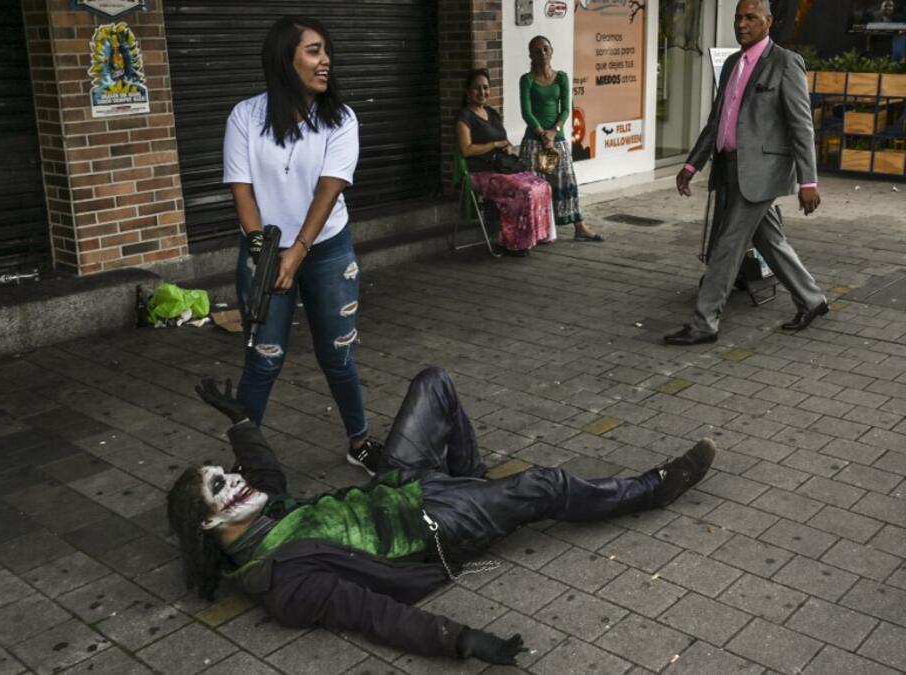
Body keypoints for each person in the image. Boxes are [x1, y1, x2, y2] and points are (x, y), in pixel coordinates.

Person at [167, 368, 717, 665]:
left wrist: (240, 423)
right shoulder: (285, 582)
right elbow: (373, 614)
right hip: (434, 525)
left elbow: (267, 473)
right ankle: (652, 490)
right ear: (211, 524)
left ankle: (476, 482)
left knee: (435, 384)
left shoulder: (264, 516)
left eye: (227, 471)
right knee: (542, 486)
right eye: (221, 484)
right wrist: (461, 640)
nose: (237, 479)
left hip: (402, 484)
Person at [222, 16, 384, 474]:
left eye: (326, 50)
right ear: (284, 59)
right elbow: (242, 192)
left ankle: (360, 441)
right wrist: (262, 253)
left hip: (327, 249)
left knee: (338, 354)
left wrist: (295, 254)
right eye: (313, 51)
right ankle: (245, 462)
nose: (325, 60)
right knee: (263, 359)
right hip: (264, 252)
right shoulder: (245, 117)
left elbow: (329, 190)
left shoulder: (341, 119)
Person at [666, 0, 827, 345]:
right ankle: (812, 299)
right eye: (738, 17)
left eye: (750, 18)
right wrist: (692, 164)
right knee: (769, 240)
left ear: (768, 22)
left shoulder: (785, 63)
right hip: (730, 167)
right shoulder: (732, 65)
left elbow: (802, 126)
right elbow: (717, 121)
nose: (741, 24)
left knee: (727, 245)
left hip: (762, 171)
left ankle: (704, 322)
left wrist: (808, 181)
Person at [456, 68, 555, 256]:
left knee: (542, 185)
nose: (482, 92)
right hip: (480, 172)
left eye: (485, 87)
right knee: (523, 191)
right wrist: (493, 144)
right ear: (468, 92)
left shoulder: (492, 113)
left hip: (501, 167)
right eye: (477, 88)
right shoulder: (465, 117)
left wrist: (507, 146)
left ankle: (535, 236)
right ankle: (513, 242)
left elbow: (503, 140)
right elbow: (466, 150)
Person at [518, 36, 604, 243]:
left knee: (566, 182)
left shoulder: (562, 78)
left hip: (557, 139)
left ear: (552, 50)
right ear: (531, 55)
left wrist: (553, 132)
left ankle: (579, 226)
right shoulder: (527, 80)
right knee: (534, 186)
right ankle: (534, 230)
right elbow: (526, 113)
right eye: (537, 51)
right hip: (533, 141)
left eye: (546, 49)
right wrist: (542, 134)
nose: (543, 54)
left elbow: (566, 109)